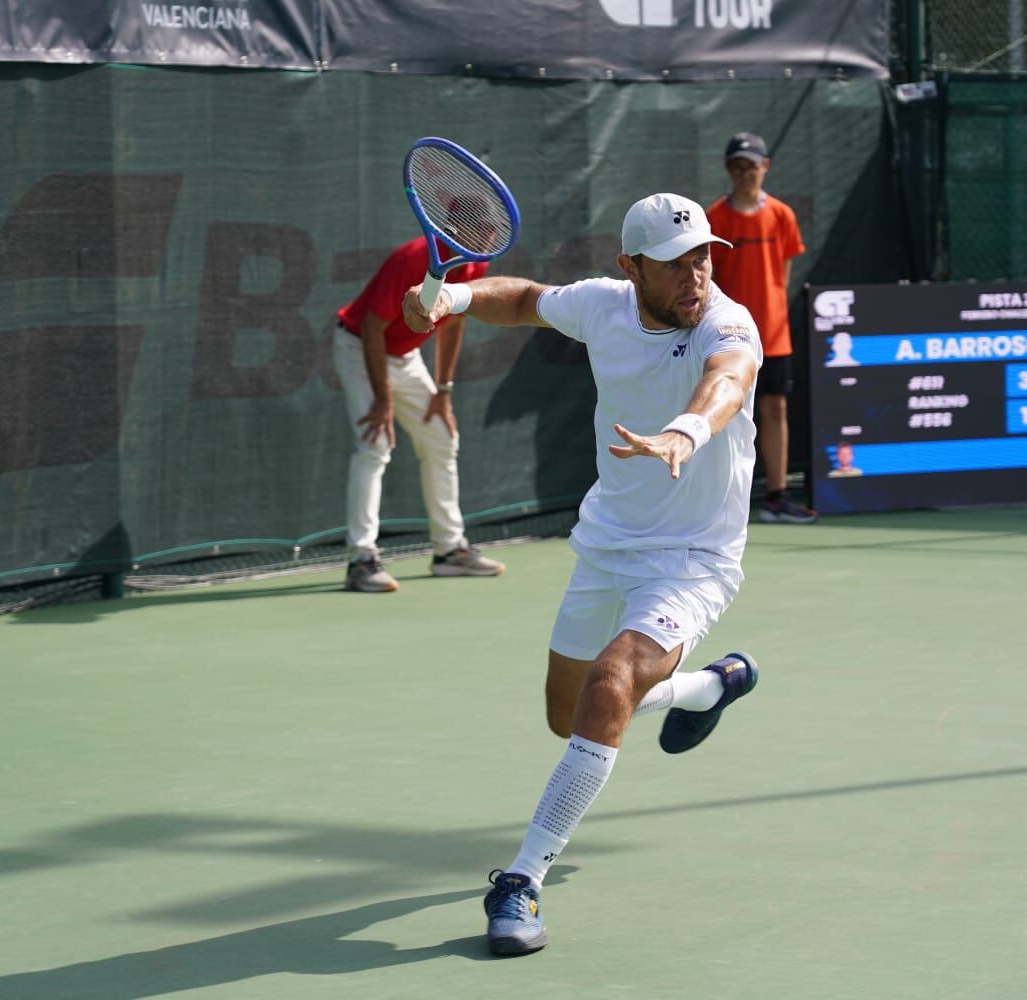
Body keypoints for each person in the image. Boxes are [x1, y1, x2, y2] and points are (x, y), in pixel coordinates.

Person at [402, 192, 764, 957]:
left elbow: (729, 380)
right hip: (607, 543)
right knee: (569, 716)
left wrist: (685, 431)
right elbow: (523, 299)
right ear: (631, 267)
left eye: (704, 256)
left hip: (693, 558)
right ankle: (708, 687)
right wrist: (451, 298)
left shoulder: (727, 322)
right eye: (675, 264)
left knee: (612, 679)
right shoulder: (602, 306)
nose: (696, 275)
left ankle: (521, 877)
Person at [333, 231, 505, 592]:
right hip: (360, 348)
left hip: (405, 357)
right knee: (374, 444)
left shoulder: (477, 262)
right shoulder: (413, 257)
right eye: (480, 228)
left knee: (441, 438)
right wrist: (383, 399)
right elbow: (372, 326)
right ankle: (361, 560)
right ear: (455, 225)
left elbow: (454, 321)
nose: (487, 238)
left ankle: (449, 551)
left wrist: (443, 390)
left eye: (491, 231)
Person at [707, 131, 817, 524]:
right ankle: (717, 501)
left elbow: (781, 277)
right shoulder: (715, 218)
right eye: (737, 167)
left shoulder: (782, 215)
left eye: (751, 167)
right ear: (728, 170)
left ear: (765, 167)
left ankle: (776, 496)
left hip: (773, 335)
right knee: (723, 408)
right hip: (727, 337)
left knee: (774, 408)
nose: (744, 174)